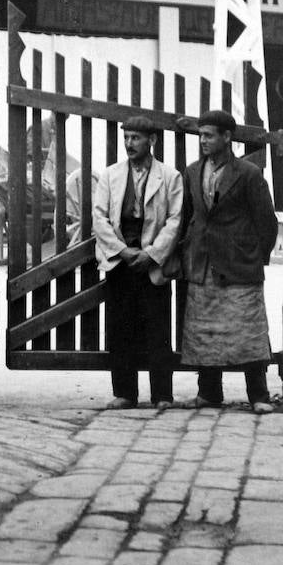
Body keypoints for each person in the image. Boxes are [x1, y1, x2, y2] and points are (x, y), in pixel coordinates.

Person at [179, 110, 279, 414]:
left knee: (247, 330)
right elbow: (187, 217)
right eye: (201, 135)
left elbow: (267, 223)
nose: (204, 141)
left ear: (227, 137)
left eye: (209, 135)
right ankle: (209, 393)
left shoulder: (248, 174)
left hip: (239, 266)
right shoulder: (193, 171)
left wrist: (252, 257)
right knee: (205, 331)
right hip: (203, 264)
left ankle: (259, 396)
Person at [91, 115, 183, 409]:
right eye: (127, 137)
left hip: (152, 264)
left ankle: (162, 395)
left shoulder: (170, 177)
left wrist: (152, 254)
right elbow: (100, 219)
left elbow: (175, 221)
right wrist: (122, 250)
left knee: (158, 329)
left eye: (136, 138)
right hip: (121, 263)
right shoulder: (110, 176)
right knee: (120, 329)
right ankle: (125, 393)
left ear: (152, 140)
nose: (129, 143)